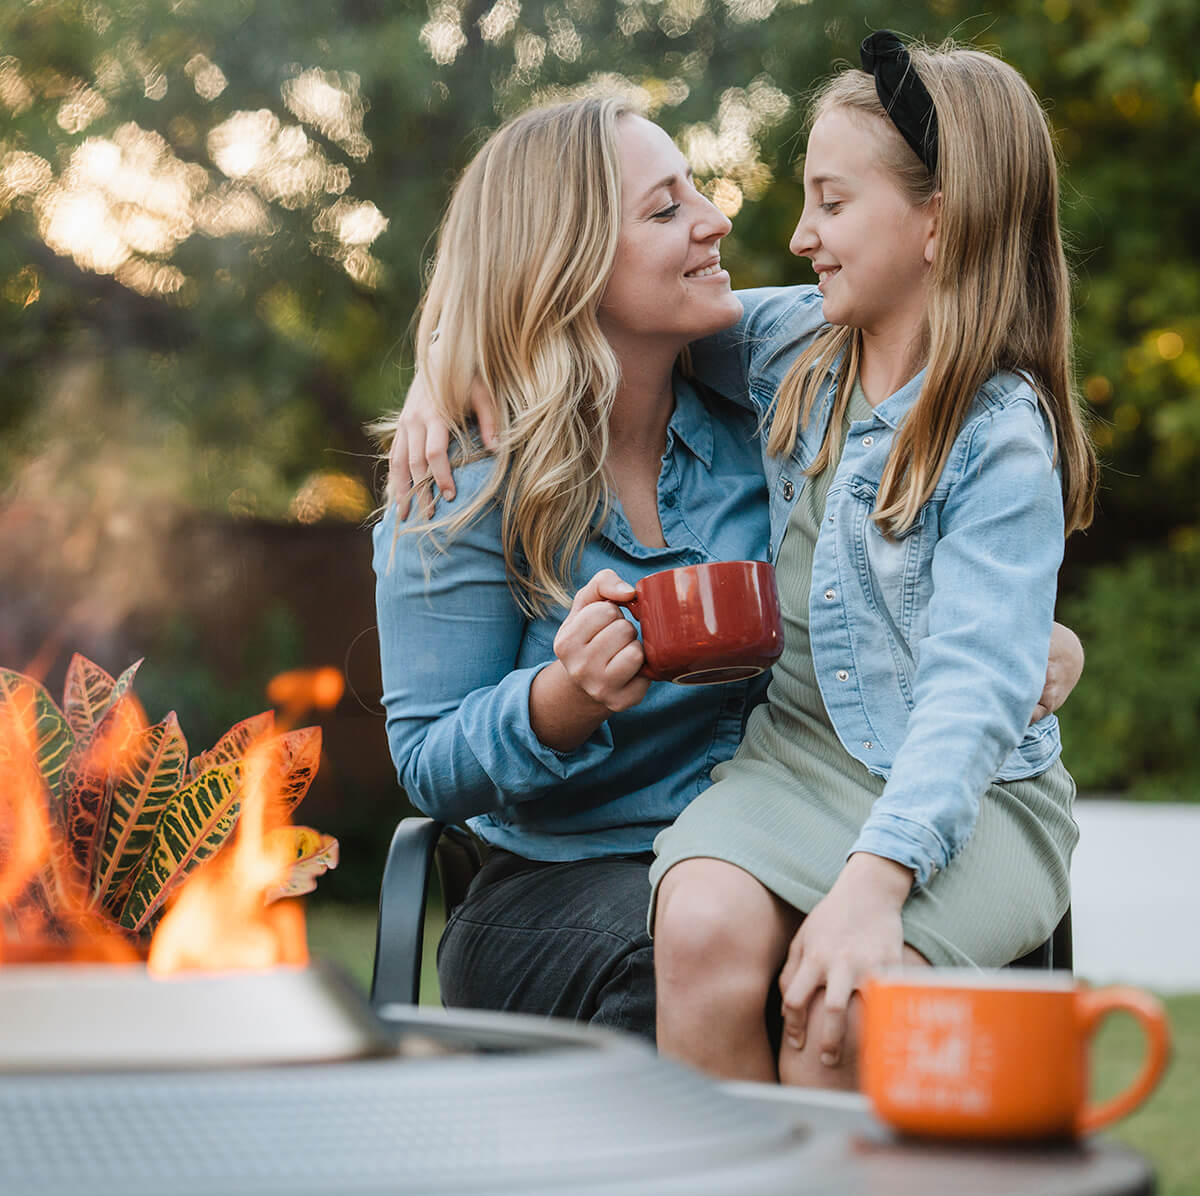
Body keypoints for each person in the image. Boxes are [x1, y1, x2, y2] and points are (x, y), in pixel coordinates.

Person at [376, 92, 1084, 1043]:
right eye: (666, 209)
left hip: (794, 821)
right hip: (567, 874)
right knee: (701, 957)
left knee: (833, 969)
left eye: (697, 190)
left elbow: (928, 489)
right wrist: (562, 700)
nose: (717, 220)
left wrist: (1034, 638)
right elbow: (427, 764)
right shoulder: (458, 480)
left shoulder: (775, 402)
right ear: (566, 262)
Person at [649, 32, 1098, 1089]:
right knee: (701, 928)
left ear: (939, 220)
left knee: (844, 1014)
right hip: (799, 763)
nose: (799, 236)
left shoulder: (998, 438)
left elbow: (975, 692)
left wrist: (877, 880)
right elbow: (612, 308)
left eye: (833, 203)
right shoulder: (794, 345)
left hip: (974, 794)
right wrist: (446, 366)